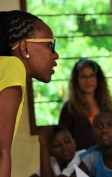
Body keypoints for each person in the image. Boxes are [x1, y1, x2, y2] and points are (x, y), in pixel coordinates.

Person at [0, 10, 59, 177]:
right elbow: (0, 152)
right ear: (25, 47)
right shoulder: (13, 67)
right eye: (50, 45)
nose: (55, 54)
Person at [59, 59, 112, 151]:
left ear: (98, 78)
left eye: (92, 76)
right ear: (76, 80)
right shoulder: (69, 107)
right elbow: (62, 139)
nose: (88, 80)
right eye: (83, 76)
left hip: (107, 158)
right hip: (79, 161)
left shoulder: (107, 105)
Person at [70, 110, 112, 177]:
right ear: (92, 132)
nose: (104, 130)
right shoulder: (92, 156)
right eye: (99, 126)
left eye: (110, 125)